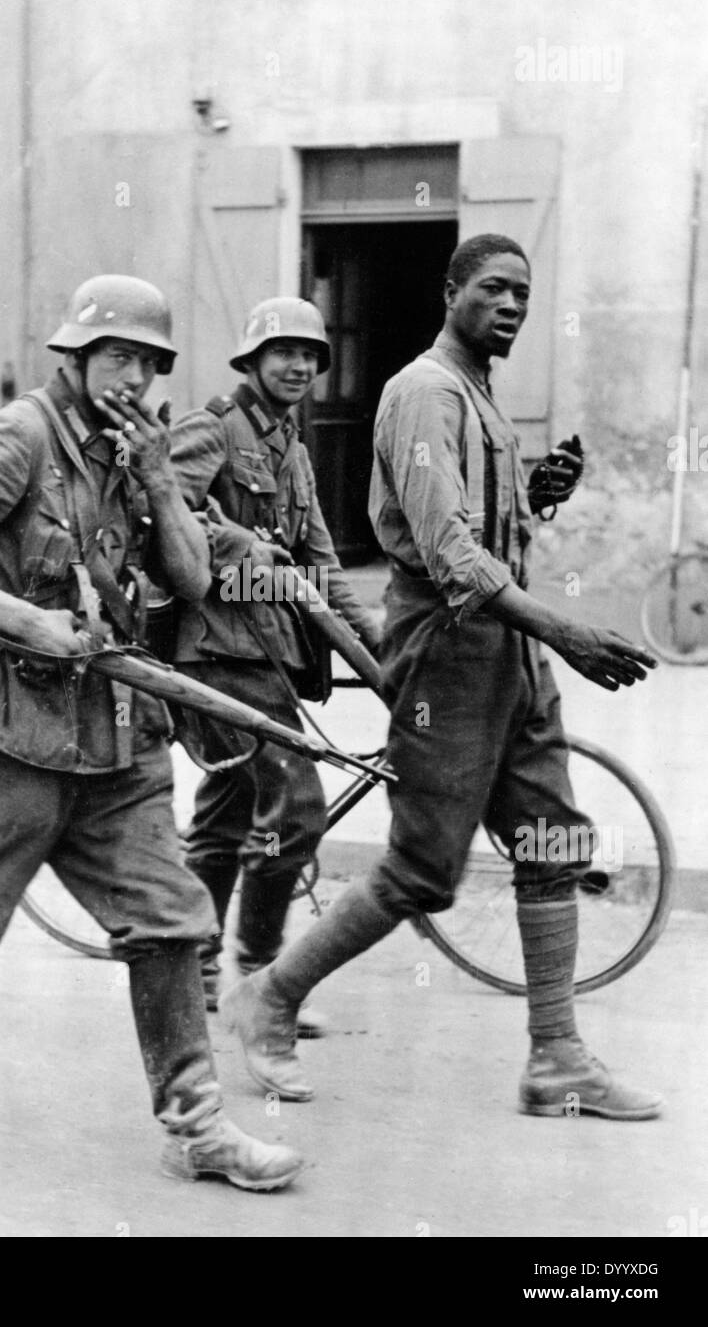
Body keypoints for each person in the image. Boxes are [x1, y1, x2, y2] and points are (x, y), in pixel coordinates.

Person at [0, 275, 302, 1192]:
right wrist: (23, 619)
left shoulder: (140, 450)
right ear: (78, 357)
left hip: (119, 736)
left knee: (170, 917)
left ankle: (199, 1127)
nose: (131, 375)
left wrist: (163, 484)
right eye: (115, 356)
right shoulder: (21, 437)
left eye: (147, 361)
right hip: (16, 729)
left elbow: (192, 582)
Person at [220, 235, 665, 1122]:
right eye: (493, 289)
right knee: (426, 867)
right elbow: (451, 554)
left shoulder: (480, 400)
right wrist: (566, 630)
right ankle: (268, 995)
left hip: (507, 650)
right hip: (450, 650)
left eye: (524, 295)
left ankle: (557, 1057)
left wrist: (534, 498)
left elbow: (483, 528)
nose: (511, 306)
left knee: (550, 839)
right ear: (451, 291)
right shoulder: (421, 392)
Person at [168, 297, 381, 1033]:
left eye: (309, 356)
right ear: (252, 361)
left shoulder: (291, 448)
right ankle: (261, 980)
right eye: (282, 353)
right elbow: (154, 510)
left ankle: (194, 976)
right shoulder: (213, 428)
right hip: (216, 651)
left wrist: (379, 643)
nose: (297, 366)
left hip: (268, 655)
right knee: (296, 807)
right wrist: (235, 546)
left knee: (228, 815)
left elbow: (321, 562)